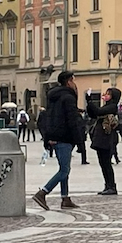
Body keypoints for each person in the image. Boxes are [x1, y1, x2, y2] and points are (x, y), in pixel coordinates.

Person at [33, 70, 84, 211]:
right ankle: (42, 192)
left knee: (64, 168)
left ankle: (65, 198)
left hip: (54, 135)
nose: (75, 84)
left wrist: (47, 137)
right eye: (73, 80)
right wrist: (80, 141)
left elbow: (51, 116)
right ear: (68, 82)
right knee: (64, 170)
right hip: (64, 136)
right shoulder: (68, 98)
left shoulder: (54, 96)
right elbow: (71, 120)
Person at [91, 93, 121, 195]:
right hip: (101, 138)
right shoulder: (106, 106)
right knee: (102, 163)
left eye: (108, 94)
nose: (105, 95)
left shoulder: (112, 107)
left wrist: (91, 102)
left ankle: (111, 186)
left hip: (107, 138)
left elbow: (98, 112)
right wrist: (89, 102)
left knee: (106, 163)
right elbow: (93, 113)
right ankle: (107, 185)